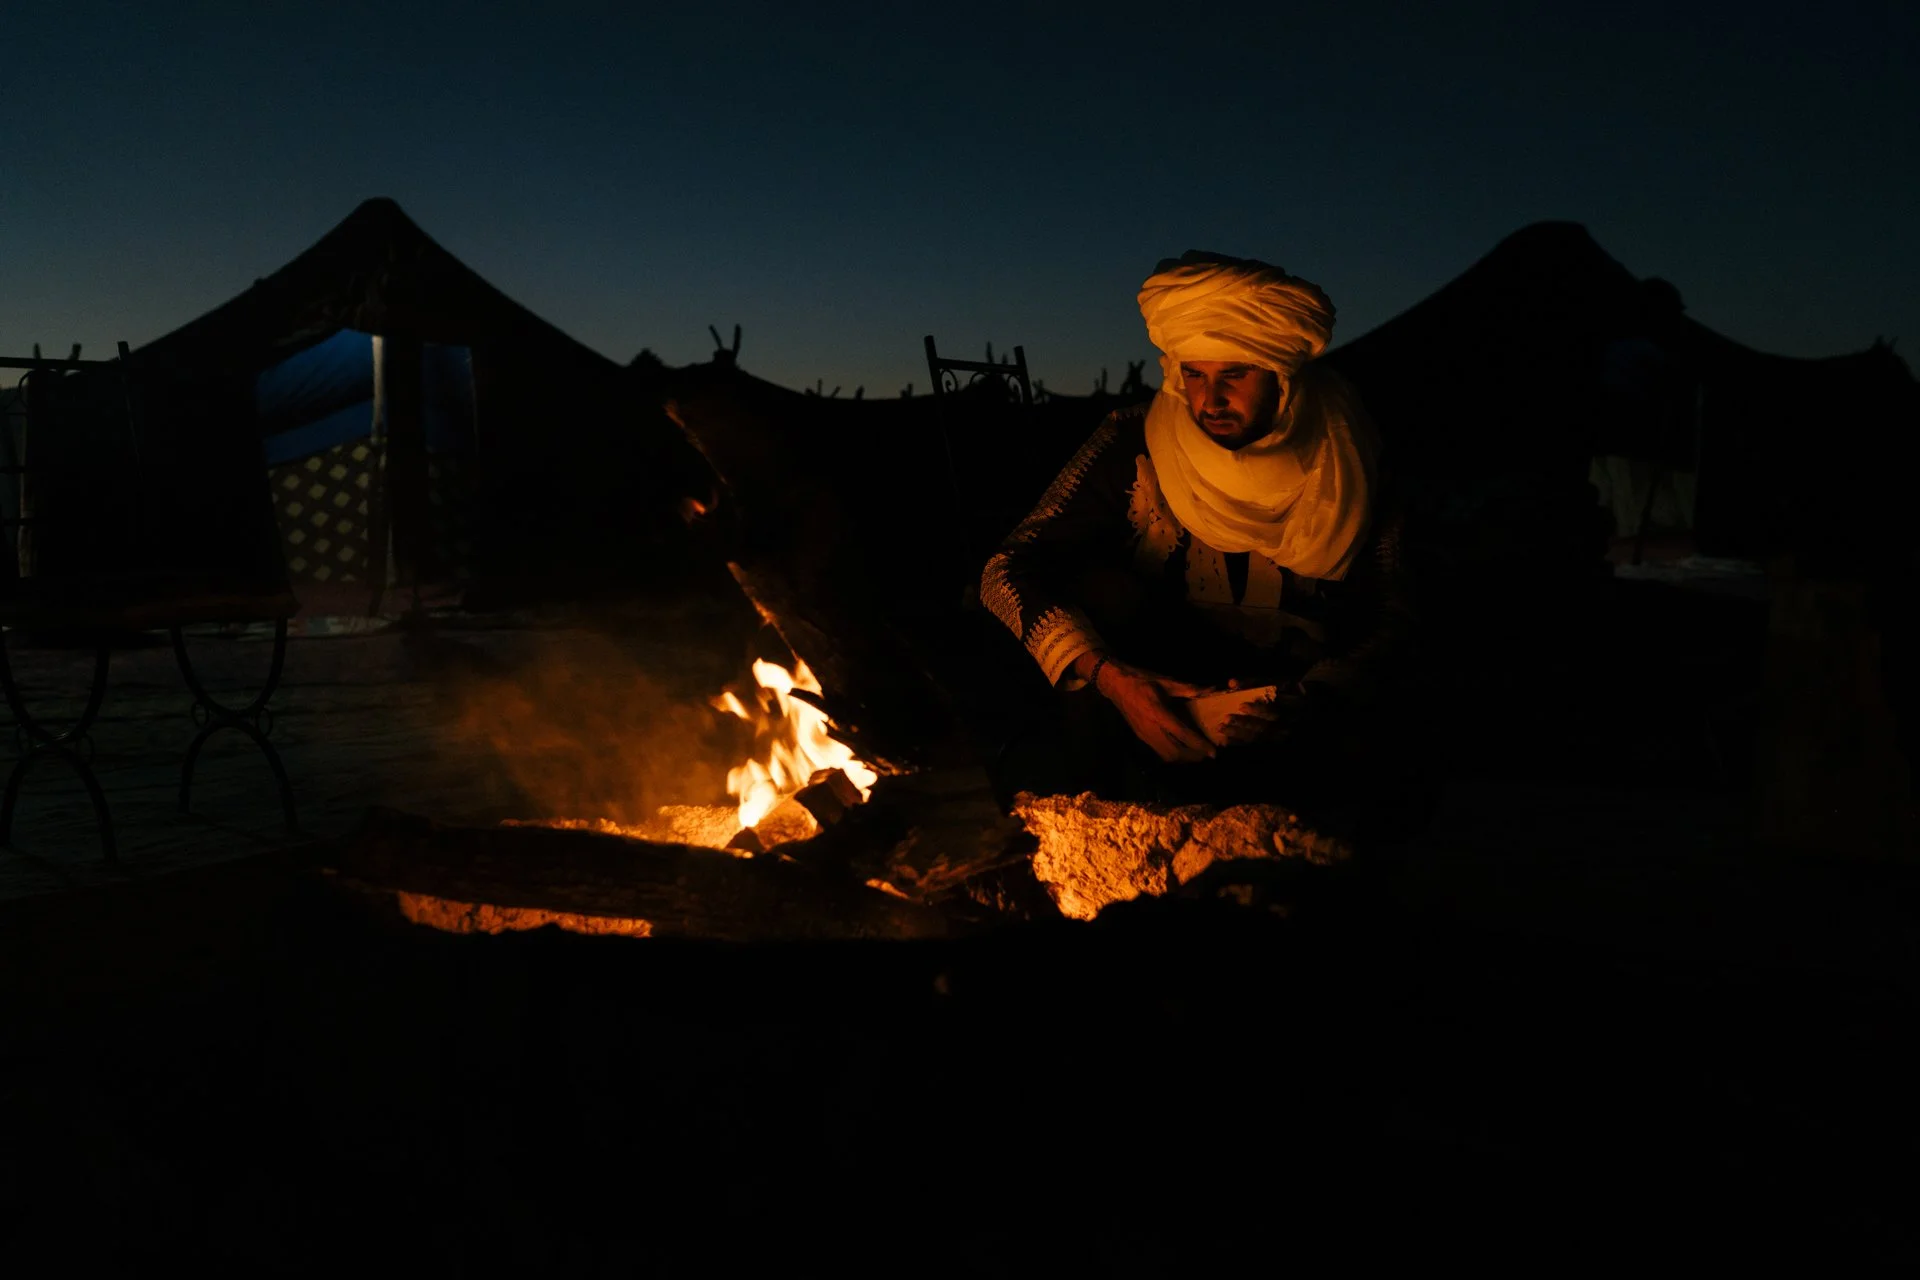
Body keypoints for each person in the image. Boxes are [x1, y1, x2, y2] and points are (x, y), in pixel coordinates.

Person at [981, 251, 1425, 839]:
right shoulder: (1132, 440)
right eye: (1194, 374)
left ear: (1281, 375)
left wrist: (1316, 699)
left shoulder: (1354, 460)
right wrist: (1115, 679)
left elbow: (1398, 613)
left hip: (1304, 723)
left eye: (1234, 374)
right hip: (1148, 713)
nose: (1209, 400)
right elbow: (1007, 569)